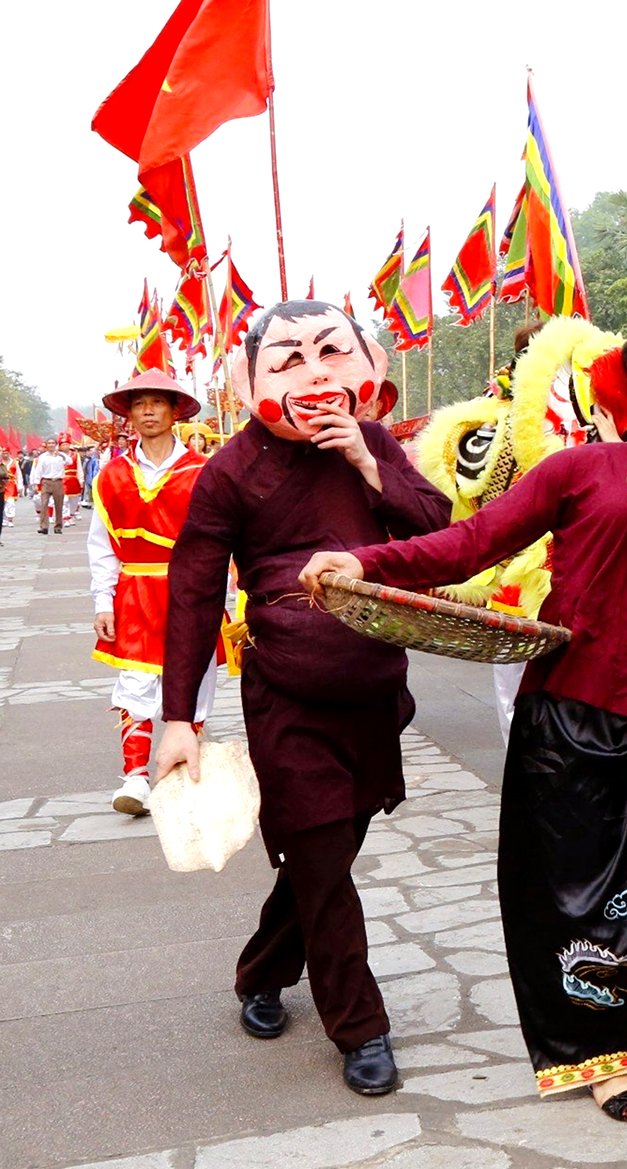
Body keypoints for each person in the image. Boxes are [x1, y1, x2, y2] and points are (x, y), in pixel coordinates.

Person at [300, 328, 627, 1126]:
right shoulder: (580, 470)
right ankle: (601, 1058)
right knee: (573, 898)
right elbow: (474, 543)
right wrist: (368, 563)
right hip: (567, 717)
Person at [155, 299, 452, 1097]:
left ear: (366, 365)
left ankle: (261, 969)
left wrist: (368, 462)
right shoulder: (230, 470)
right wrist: (178, 716)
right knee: (320, 853)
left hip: (375, 691)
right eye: (288, 358)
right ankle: (361, 1027)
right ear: (251, 374)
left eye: (332, 353)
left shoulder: (377, 442)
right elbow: (191, 590)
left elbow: (438, 539)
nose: (315, 373)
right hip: (285, 696)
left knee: (326, 856)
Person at [90, 371, 218, 817]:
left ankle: (181, 777)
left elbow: (228, 542)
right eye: (138, 403)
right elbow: (101, 545)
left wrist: (237, 598)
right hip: (136, 592)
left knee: (194, 685)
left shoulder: (205, 473)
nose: (147, 411)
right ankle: (135, 779)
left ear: (174, 411)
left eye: (156, 403)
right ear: (129, 413)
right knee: (135, 685)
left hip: (193, 592)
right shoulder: (111, 476)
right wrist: (103, 601)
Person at [31, 437, 67, 534]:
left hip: (58, 482)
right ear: (46, 445)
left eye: (53, 443)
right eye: (49, 443)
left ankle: (58, 526)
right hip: (46, 482)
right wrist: (36, 483)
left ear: (56, 444)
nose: (51, 445)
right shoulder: (43, 457)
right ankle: (44, 526)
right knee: (44, 504)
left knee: (58, 505)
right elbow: (38, 470)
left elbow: (69, 461)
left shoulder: (60, 456)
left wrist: (61, 454)